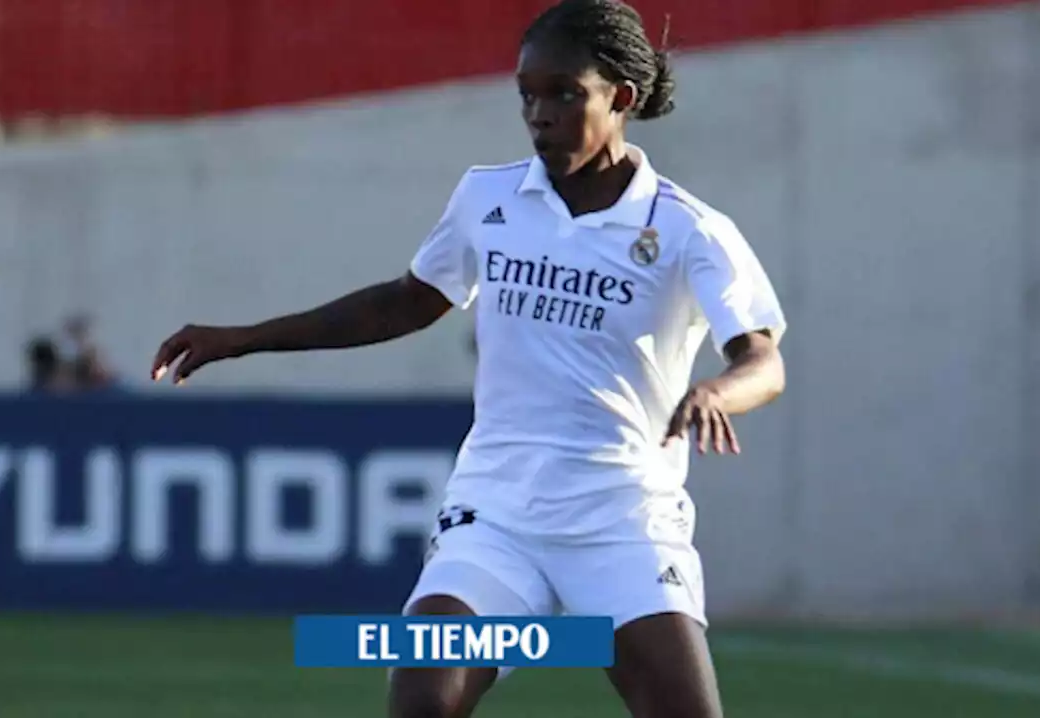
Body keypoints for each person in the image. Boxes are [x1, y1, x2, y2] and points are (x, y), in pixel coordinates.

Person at [151, 1, 787, 715]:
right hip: (496, 517)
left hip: (623, 520)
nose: (539, 114)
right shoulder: (489, 197)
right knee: (423, 695)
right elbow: (402, 302)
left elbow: (763, 360)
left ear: (623, 98)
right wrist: (241, 337)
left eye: (564, 93)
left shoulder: (687, 229)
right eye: (527, 94)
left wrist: (716, 393)